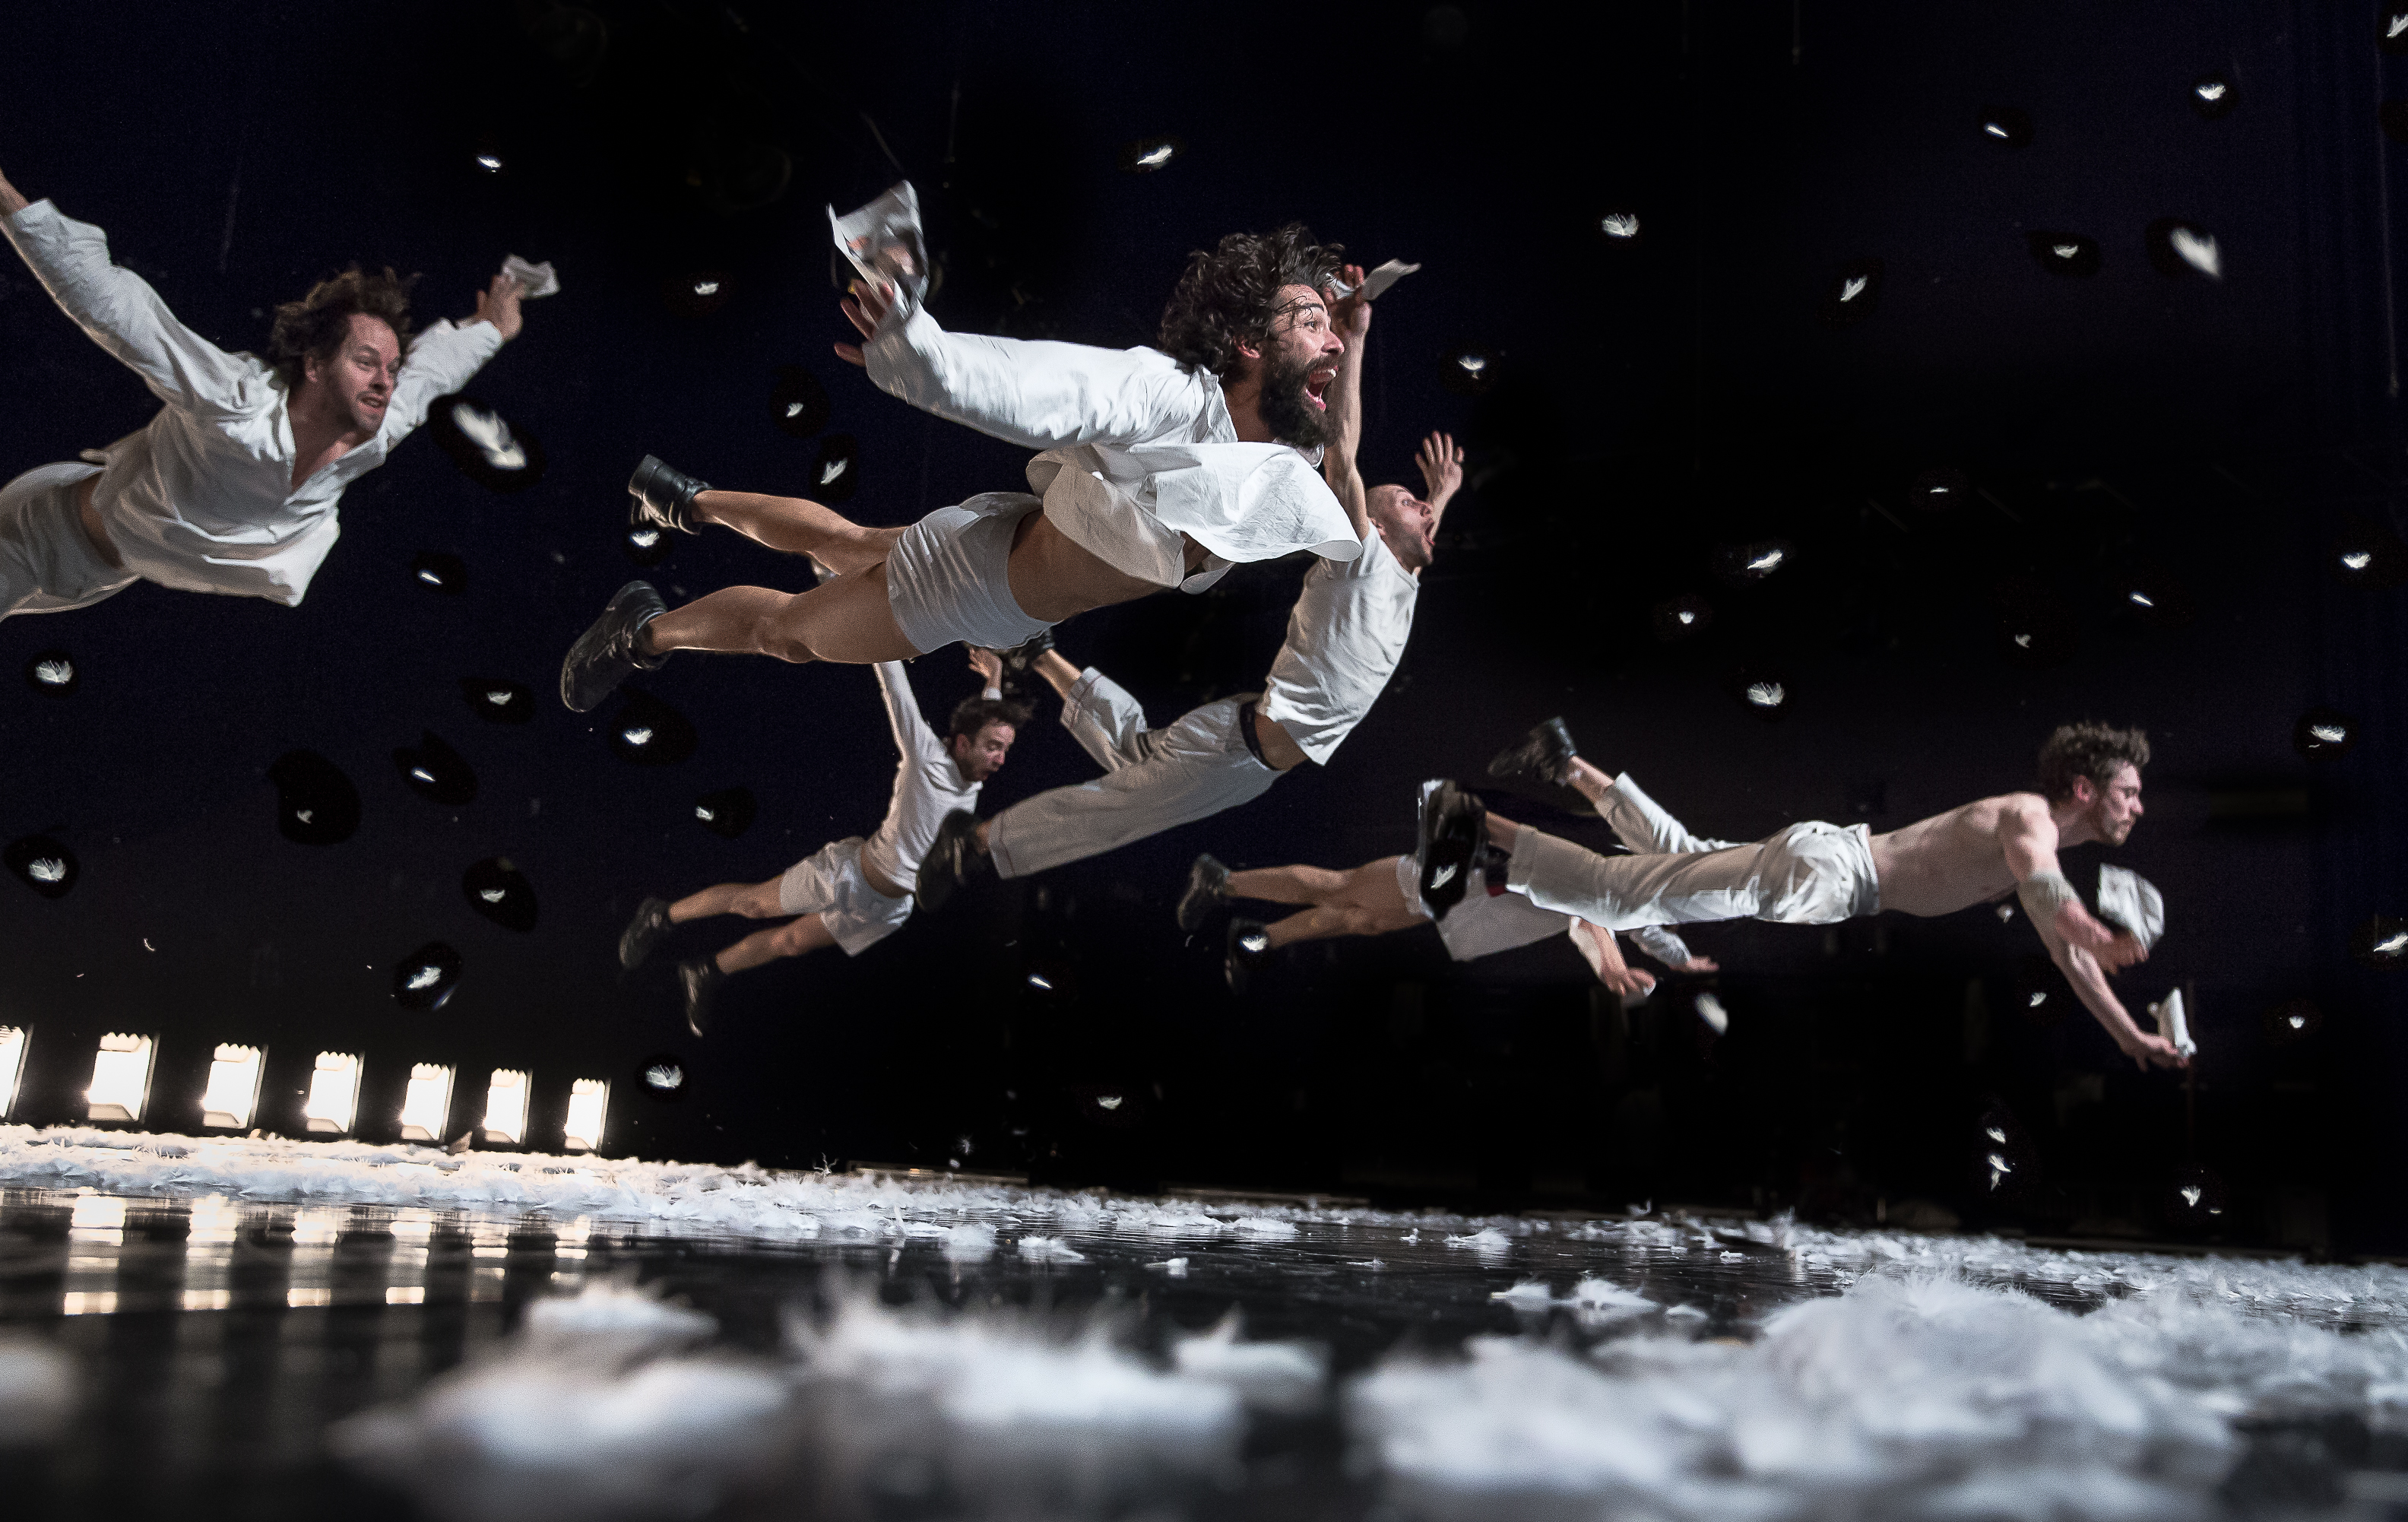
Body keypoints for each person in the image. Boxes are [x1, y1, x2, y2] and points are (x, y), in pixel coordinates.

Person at [558, 222, 1367, 711]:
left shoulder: (1285, 460)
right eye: (1312, 322)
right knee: (787, 635)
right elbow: (1041, 389)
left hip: (1001, 569)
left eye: (1333, 329)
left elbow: (1341, 454)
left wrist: (1352, 340)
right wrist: (926, 356)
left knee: (847, 542)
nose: (1330, 339)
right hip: (965, 586)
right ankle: (642, 632)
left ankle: (689, 500)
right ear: (1248, 344)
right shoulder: (1172, 397)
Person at [907, 257, 1459, 905]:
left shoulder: (1398, 574)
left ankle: (1041, 655)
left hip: (1242, 739)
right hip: (1247, 749)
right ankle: (975, 844)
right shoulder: (1359, 556)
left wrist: (1442, 495)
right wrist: (1355, 335)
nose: (1427, 511)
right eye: (1413, 503)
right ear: (1375, 527)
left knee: (1138, 754)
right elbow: (1343, 456)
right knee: (1124, 804)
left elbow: (1419, 541)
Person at [0, 130, 524, 653]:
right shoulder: (236, 403)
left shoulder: (375, 433)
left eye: (391, 367)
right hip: (37, 534)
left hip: (105, 577)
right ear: (314, 365)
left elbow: (432, 375)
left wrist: (492, 329)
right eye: (365, 362)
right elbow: (115, 308)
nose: (385, 379)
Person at [1423, 717, 2192, 1070]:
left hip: (1826, 866)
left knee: (1677, 857)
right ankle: (1469, 819)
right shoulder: (2031, 820)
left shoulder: (2040, 842)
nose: (2137, 806)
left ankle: (1564, 760)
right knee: (1618, 899)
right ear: (2084, 788)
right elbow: (2049, 892)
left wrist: (2130, 1036)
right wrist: (2099, 932)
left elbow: (2070, 957)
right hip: (1828, 876)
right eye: (2127, 791)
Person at [616, 648, 1031, 1035]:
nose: (1001, 760)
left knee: (791, 944)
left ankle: (705, 970)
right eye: (994, 749)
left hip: (889, 910)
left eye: (1006, 750)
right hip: (847, 876)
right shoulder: (925, 756)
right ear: (962, 743)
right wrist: (879, 627)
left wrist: (994, 677)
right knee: (754, 904)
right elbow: (893, 682)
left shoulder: (973, 779)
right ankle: (662, 915)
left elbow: (986, 721)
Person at [1174, 776, 1716, 993]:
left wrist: (1678, 958)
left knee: (1365, 921)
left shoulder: (1645, 893)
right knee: (1344, 890)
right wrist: (1617, 968)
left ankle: (1259, 939)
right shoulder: (1624, 868)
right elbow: (1595, 915)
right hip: (1467, 873)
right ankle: (1222, 882)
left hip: (1471, 896)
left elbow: (1637, 925)